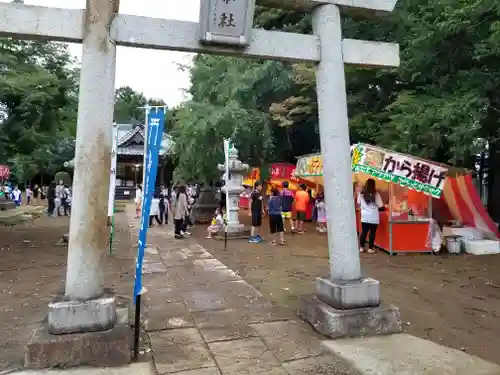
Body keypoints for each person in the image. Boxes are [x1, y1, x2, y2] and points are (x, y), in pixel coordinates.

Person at [357, 178, 384, 254]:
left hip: (365, 216)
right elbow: (380, 205)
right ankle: (370, 248)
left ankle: (361, 247)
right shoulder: (376, 194)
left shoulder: (361, 193)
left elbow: (358, 201)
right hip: (373, 216)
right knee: (372, 232)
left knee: (364, 232)